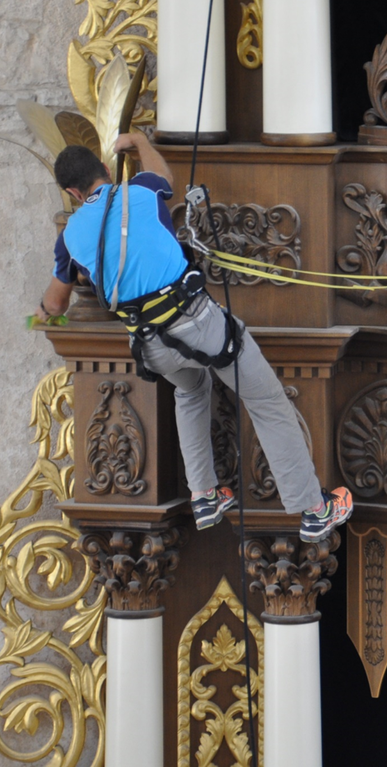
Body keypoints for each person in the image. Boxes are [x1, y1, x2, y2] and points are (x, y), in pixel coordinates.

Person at [38, 132, 353, 542]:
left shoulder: (70, 236)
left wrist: (40, 318)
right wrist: (138, 142)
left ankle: (204, 494)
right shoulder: (142, 191)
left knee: (190, 390)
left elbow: (56, 302)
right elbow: (163, 173)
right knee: (266, 401)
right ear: (105, 171)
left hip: (151, 345)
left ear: (72, 192)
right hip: (198, 322)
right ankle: (314, 509)